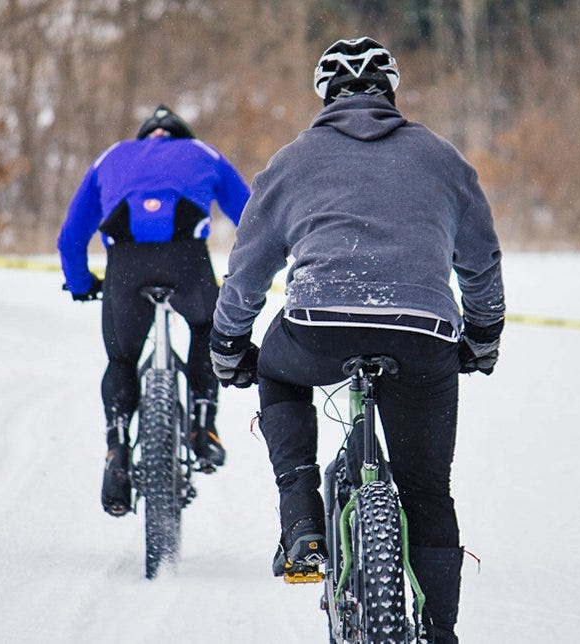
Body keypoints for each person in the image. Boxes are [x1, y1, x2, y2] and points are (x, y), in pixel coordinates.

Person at [209, 37, 504, 642]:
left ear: (325, 96)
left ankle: (302, 523)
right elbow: (481, 263)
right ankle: (441, 631)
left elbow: (248, 270)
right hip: (423, 332)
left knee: (278, 371)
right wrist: (483, 336)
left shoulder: (292, 160)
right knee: (427, 490)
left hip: (319, 325)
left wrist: (228, 345)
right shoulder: (442, 158)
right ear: (391, 92)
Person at [59, 105, 250, 517]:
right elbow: (253, 216)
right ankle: (202, 424)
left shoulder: (110, 156)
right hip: (187, 261)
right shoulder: (202, 152)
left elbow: (70, 237)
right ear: (181, 135)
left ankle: (117, 447)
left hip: (125, 267)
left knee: (122, 358)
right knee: (205, 326)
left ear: (145, 136)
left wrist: (80, 285)